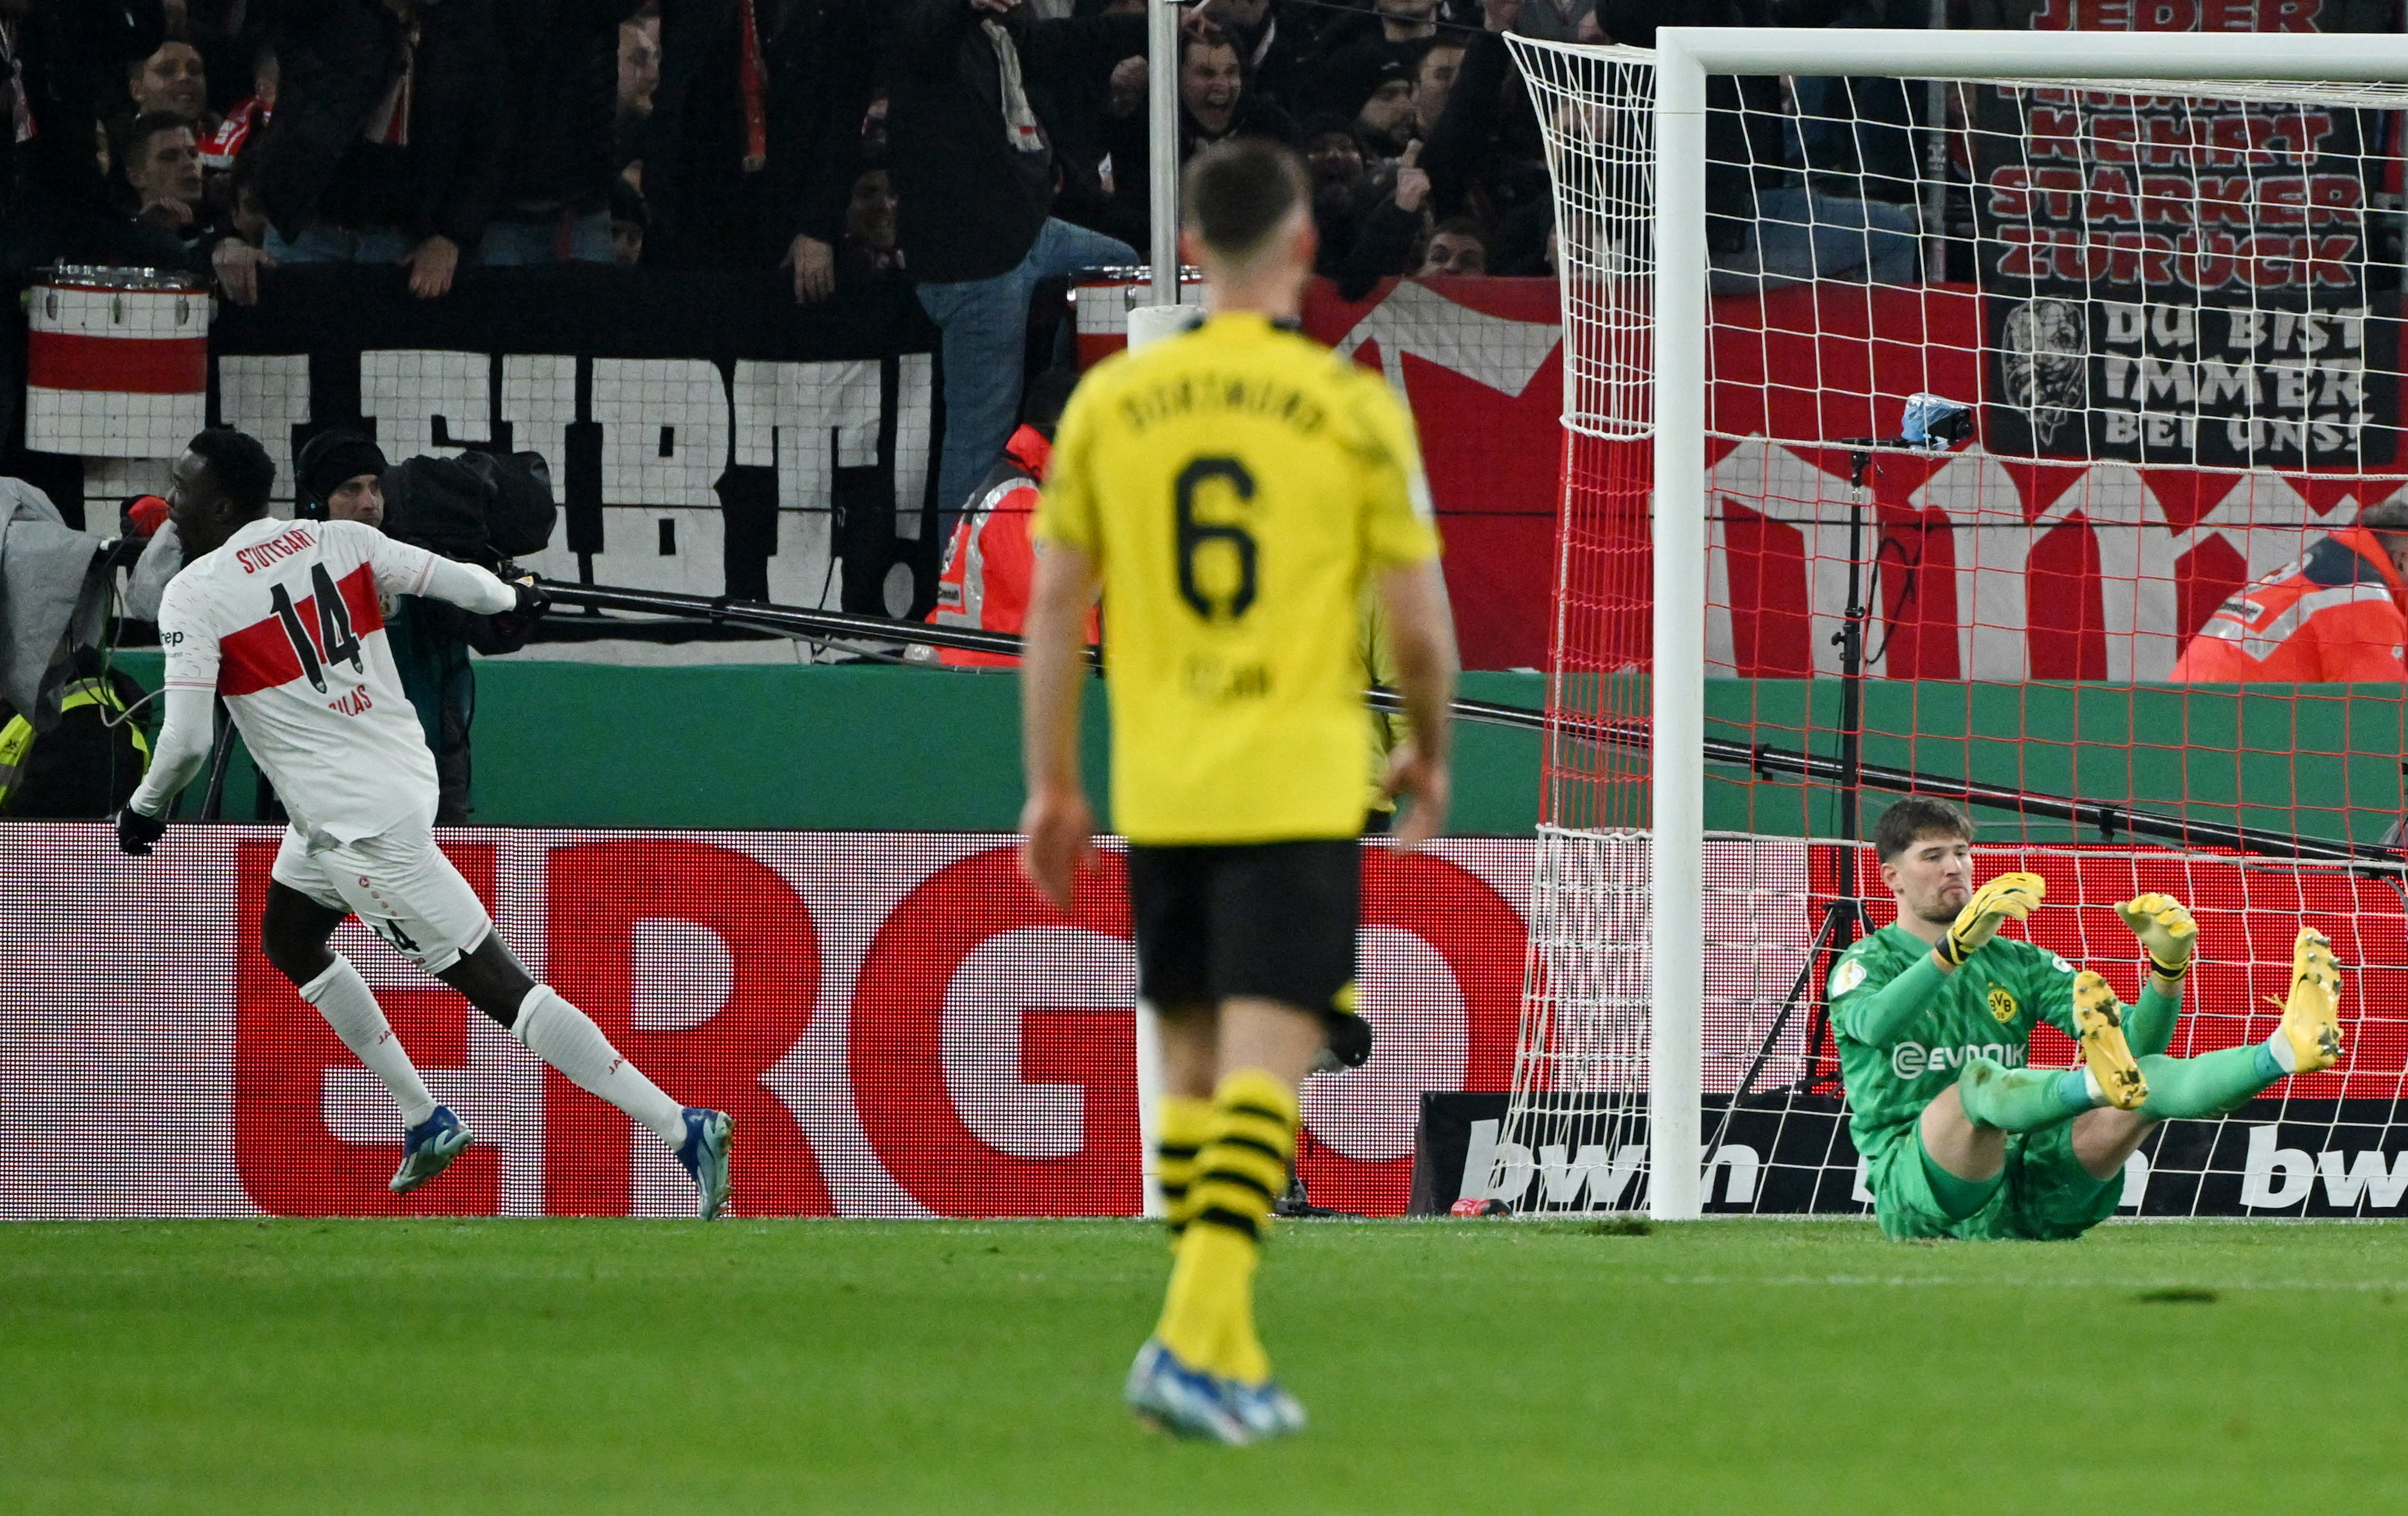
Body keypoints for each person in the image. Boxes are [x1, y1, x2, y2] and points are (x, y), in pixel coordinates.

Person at [1019, 138, 1458, 1442]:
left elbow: (1054, 606)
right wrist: (1427, 745)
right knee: (1273, 1057)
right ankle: (1186, 1339)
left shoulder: (1112, 407)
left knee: (1204, 1069)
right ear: (1306, 253)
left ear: (1192, 254)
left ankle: (1218, 1347)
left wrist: (1051, 783)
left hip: (1163, 778)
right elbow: (1419, 620)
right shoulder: (1350, 409)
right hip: (1298, 773)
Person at [114, 428, 735, 1218]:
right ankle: (424, 1117)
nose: (172, 499)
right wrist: (516, 594)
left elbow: (189, 739)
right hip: (392, 780)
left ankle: (680, 1124)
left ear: (225, 503)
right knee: (288, 935)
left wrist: (144, 806)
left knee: (498, 985)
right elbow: (467, 586)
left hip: (358, 823)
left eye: (184, 485)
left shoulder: (196, 593)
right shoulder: (339, 539)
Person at [1829, 797, 2344, 1243]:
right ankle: (2090, 1086)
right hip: (1924, 1191)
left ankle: (2281, 1049)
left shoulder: (2018, 961)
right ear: (1891, 876)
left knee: (2148, 1080)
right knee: (1978, 1083)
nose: (1955, 868)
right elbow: (1875, 1025)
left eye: (1962, 852)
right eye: (1933, 855)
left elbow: (2134, 1048)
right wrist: (1954, 949)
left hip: (2030, 1187)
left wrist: (2166, 975)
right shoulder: (1867, 961)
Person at [889, 0, 1145, 546]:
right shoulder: (923, 27)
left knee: (1120, 269)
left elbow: (1063, 42)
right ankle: (957, 600)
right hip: (974, 264)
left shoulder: (996, 33)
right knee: (977, 444)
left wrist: (1158, 26)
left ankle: (1057, 401)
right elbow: (923, 35)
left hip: (1030, 235)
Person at [926, 367, 1089, 667]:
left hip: (972, 670)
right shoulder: (1020, 501)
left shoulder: (1016, 489)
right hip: (987, 680)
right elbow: (1055, 606)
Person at [2170, 502, 2408, 683]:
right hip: (2231, 728)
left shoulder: (2327, 569)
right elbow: (2380, 718)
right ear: (2402, 561)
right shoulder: (2364, 600)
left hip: (2183, 718)